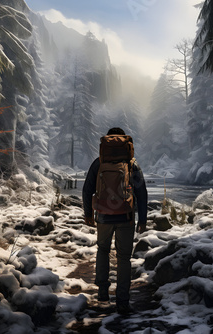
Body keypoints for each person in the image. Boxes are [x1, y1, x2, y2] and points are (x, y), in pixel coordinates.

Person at [82, 127, 147, 314]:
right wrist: (142, 219)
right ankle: (122, 300)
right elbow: (142, 193)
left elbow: (87, 190)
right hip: (126, 217)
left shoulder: (99, 163)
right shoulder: (132, 163)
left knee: (102, 250)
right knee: (123, 257)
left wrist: (88, 214)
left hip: (103, 215)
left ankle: (103, 291)